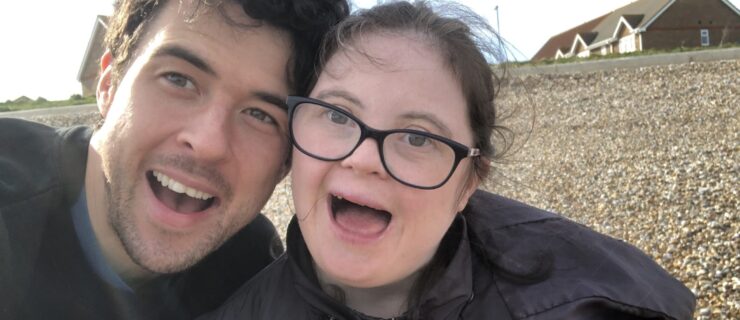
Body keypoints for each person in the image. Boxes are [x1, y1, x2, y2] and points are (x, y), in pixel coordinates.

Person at [203, 1, 696, 319]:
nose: (363, 158)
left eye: (418, 137)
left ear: (468, 184)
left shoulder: (585, 303)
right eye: (336, 115)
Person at [0, 0, 348, 319]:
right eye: (178, 79)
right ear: (108, 84)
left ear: (285, 164)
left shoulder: (250, 268)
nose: (209, 143)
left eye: (260, 115)